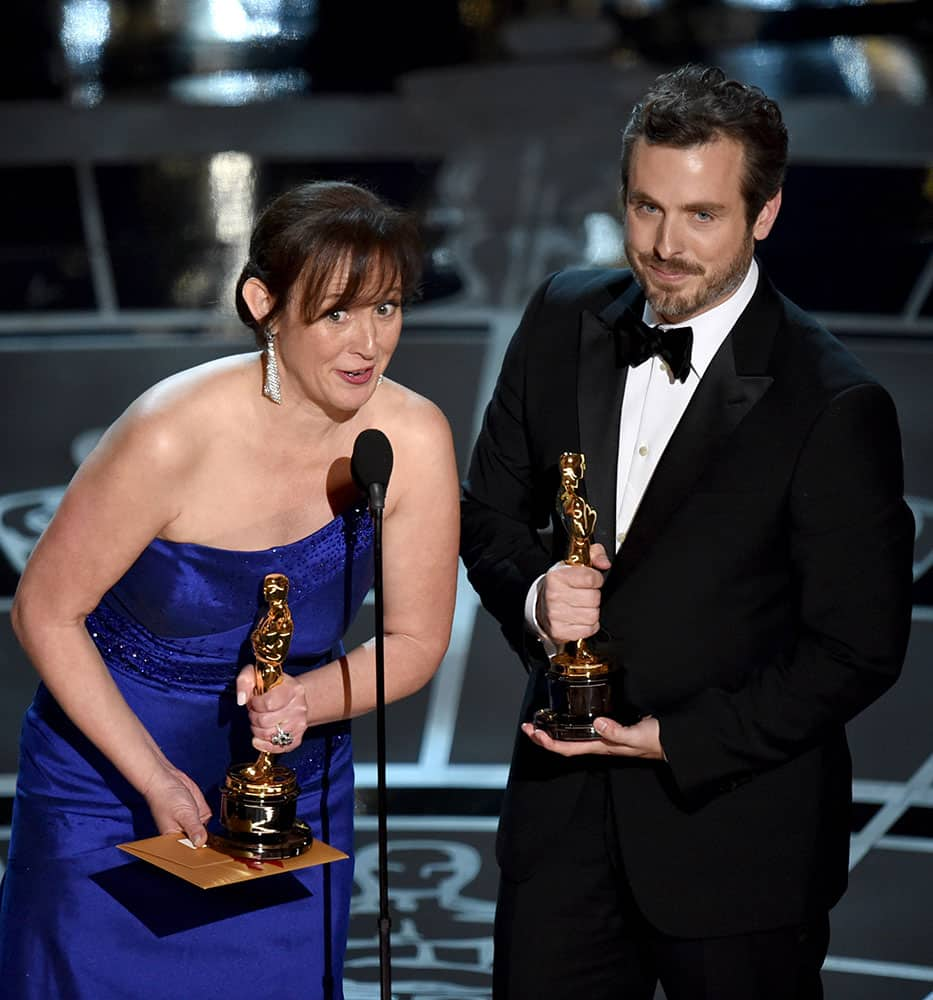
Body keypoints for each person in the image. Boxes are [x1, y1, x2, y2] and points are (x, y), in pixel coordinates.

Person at [460, 64, 914, 1000]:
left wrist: (676, 738)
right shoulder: (559, 318)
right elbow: (488, 516)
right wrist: (539, 593)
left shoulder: (833, 404)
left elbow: (859, 647)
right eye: (644, 208)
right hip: (559, 840)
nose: (664, 247)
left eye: (700, 215)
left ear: (765, 214)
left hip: (736, 846)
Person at [1, 180, 460, 998]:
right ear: (263, 302)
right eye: (336, 314)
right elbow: (45, 611)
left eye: (386, 308)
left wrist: (302, 703)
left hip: (287, 785)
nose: (368, 344)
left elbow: (416, 643)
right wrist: (151, 776)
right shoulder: (169, 432)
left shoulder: (412, 436)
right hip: (109, 779)